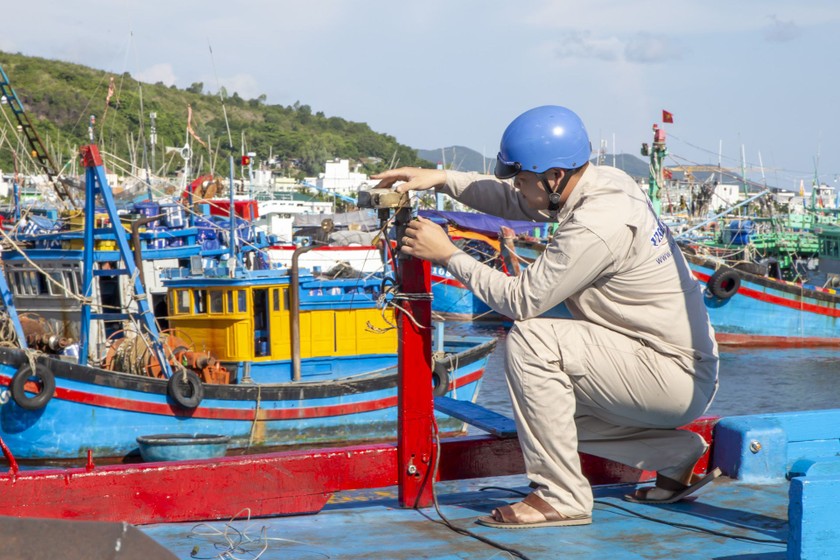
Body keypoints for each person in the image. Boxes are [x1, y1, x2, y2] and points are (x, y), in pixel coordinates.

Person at [372, 105, 720, 529]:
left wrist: (449, 254)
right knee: (544, 413)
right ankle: (674, 455)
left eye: (522, 179)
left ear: (554, 177)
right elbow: (512, 201)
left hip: (672, 375)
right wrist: (443, 179)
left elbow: (522, 301)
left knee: (532, 340)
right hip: (665, 366)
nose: (518, 189)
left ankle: (562, 496)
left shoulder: (597, 224)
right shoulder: (601, 183)